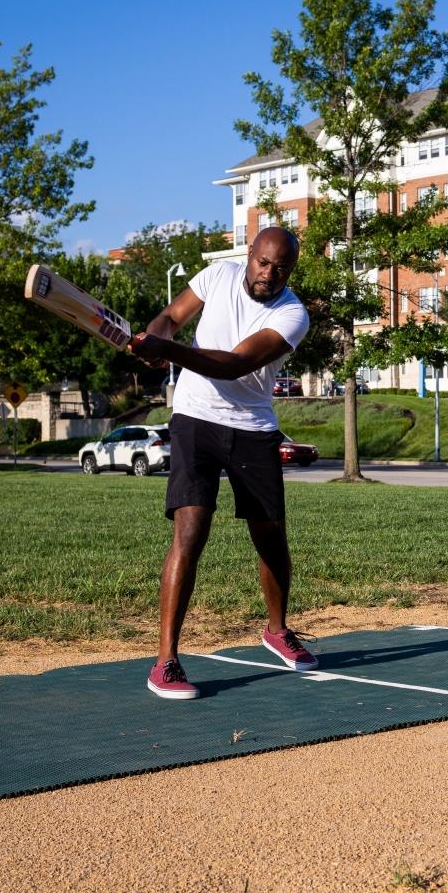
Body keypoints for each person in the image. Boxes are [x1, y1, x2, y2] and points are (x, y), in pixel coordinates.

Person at [127, 227, 315, 699]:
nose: (269, 274)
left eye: (281, 268)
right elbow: (172, 315)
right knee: (190, 530)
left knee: (270, 533)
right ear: (249, 253)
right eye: (263, 262)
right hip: (195, 418)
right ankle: (165, 661)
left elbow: (233, 364)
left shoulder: (293, 314)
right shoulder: (218, 275)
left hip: (253, 425)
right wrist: (156, 336)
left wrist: (165, 351)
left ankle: (277, 629)